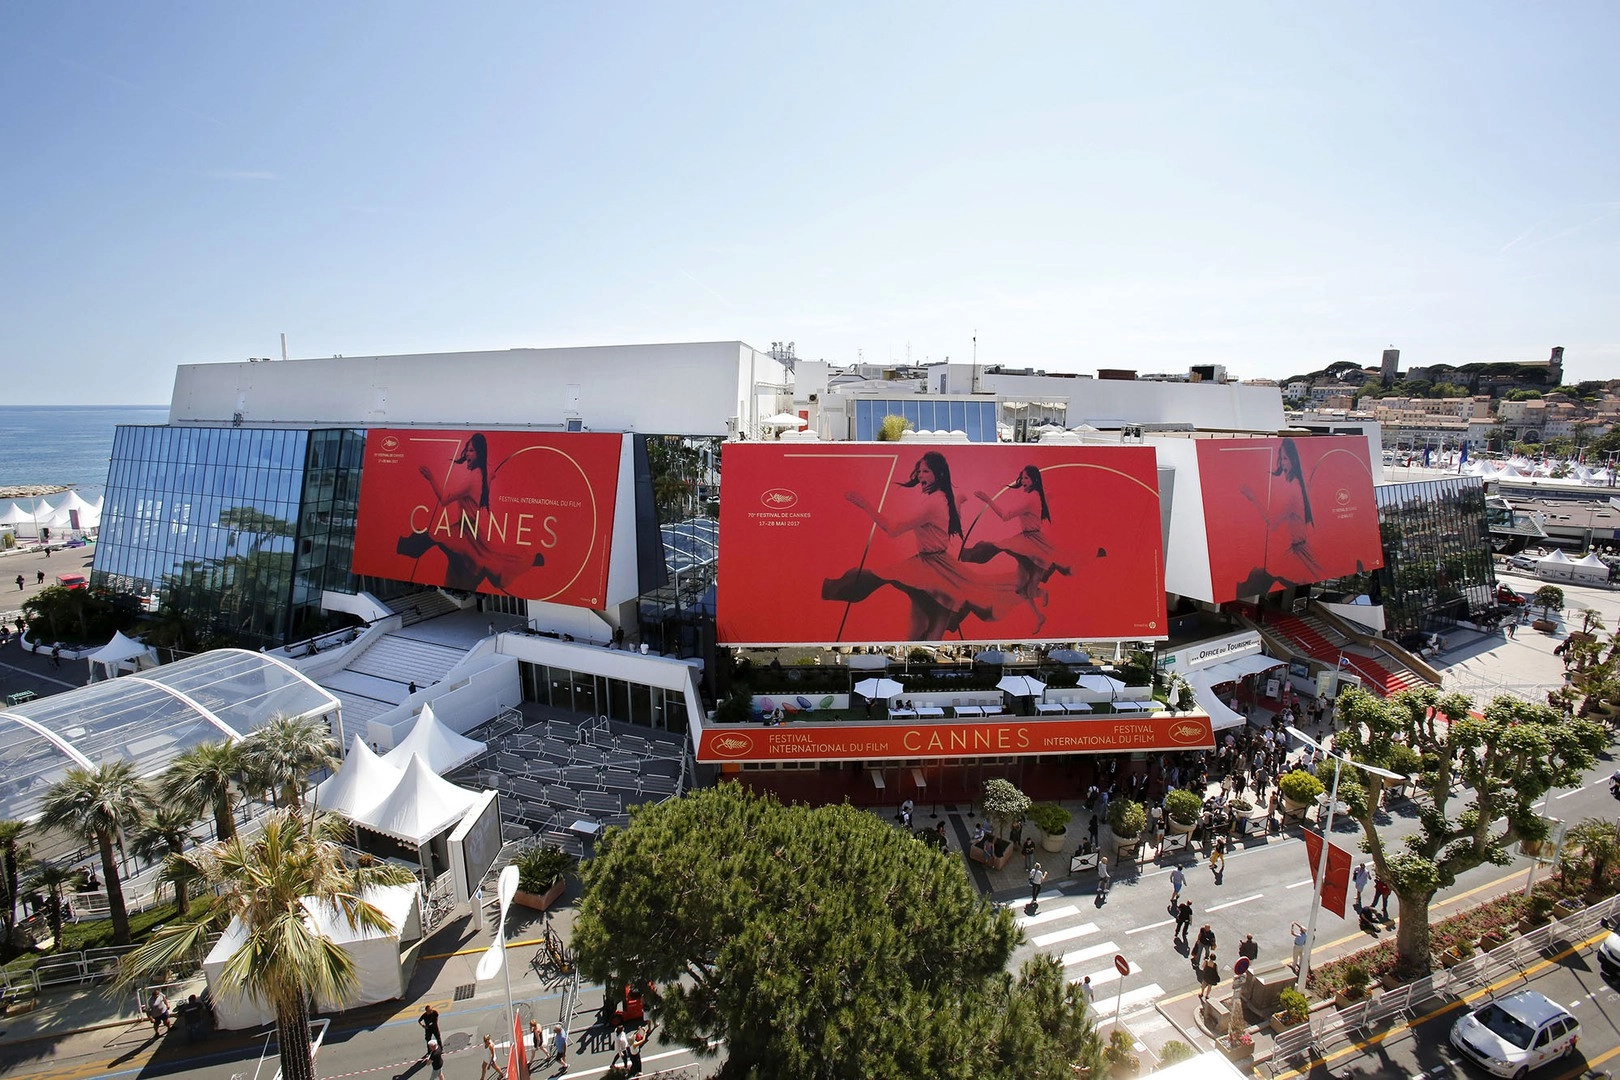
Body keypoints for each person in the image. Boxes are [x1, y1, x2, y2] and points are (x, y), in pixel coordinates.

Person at [822, 451, 1011, 639]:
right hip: (935, 565)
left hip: (932, 568)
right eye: (920, 471)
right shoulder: (943, 498)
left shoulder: (933, 503)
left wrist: (866, 505)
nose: (920, 475)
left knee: (933, 619)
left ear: (939, 474)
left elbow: (893, 529)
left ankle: (835, 588)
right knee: (931, 619)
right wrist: (959, 502)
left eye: (926, 471)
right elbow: (948, 525)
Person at [395, 432, 546, 594]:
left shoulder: (472, 479)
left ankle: (399, 548)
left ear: (480, 453)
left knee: (437, 540)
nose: (467, 454)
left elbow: (445, 499)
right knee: (474, 559)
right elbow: (492, 474)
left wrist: (430, 477)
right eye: (467, 450)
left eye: (471, 451)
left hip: (467, 532)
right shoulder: (486, 472)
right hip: (469, 529)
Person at [961, 464, 1076, 634]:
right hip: (1027, 541)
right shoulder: (1035, 495)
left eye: (1026, 478)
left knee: (1028, 588)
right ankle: (1039, 614)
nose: (1023, 481)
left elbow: (1005, 516)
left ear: (1034, 480)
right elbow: (1044, 499)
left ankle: (1041, 594)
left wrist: (988, 500)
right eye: (1022, 477)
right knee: (1021, 589)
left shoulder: (1030, 499)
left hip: (1034, 546)